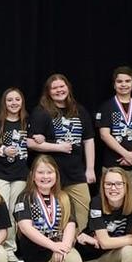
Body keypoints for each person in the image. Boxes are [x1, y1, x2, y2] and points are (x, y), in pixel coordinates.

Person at [14, 155, 84, 262]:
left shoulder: (64, 198)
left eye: (49, 172)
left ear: (56, 175)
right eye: (41, 172)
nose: (45, 177)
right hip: (36, 257)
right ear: (33, 175)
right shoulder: (25, 198)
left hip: (59, 252)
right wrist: (54, 246)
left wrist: (64, 247)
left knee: (73, 260)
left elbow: (70, 224)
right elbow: (26, 228)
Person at [28, 73, 95, 231]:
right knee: (54, 214)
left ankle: (78, 247)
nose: (59, 90)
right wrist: (58, 147)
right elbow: (30, 143)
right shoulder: (41, 111)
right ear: (48, 91)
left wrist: (90, 169)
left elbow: (89, 140)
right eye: (54, 88)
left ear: (68, 88)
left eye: (62, 86)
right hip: (49, 174)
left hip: (76, 173)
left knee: (83, 213)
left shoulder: (80, 110)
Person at [0, 87, 29, 262]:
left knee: (15, 210)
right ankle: (3, 248)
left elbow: (35, 142)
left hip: (21, 174)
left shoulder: (28, 121)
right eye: (9, 100)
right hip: (1, 173)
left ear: (22, 102)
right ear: (4, 103)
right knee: (2, 210)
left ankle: (13, 248)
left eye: (17, 99)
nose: (13, 103)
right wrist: (2, 150)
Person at [95, 66, 132, 203]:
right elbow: (104, 135)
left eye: (127, 81)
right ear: (114, 84)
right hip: (113, 163)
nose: (123, 84)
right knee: (111, 200)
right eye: (120, 81)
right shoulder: (106, 107)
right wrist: (126, 154)